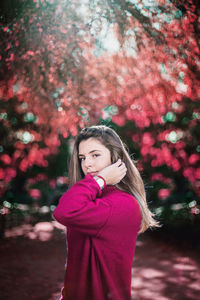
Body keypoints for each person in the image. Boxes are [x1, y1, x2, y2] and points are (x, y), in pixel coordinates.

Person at [53, 125, 159, 300]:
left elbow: (63, 212)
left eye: (95, 155)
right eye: (82, 157)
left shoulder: (122, 204)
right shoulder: (92, 196)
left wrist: (99, 179)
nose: (87, 164)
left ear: (115, 158)